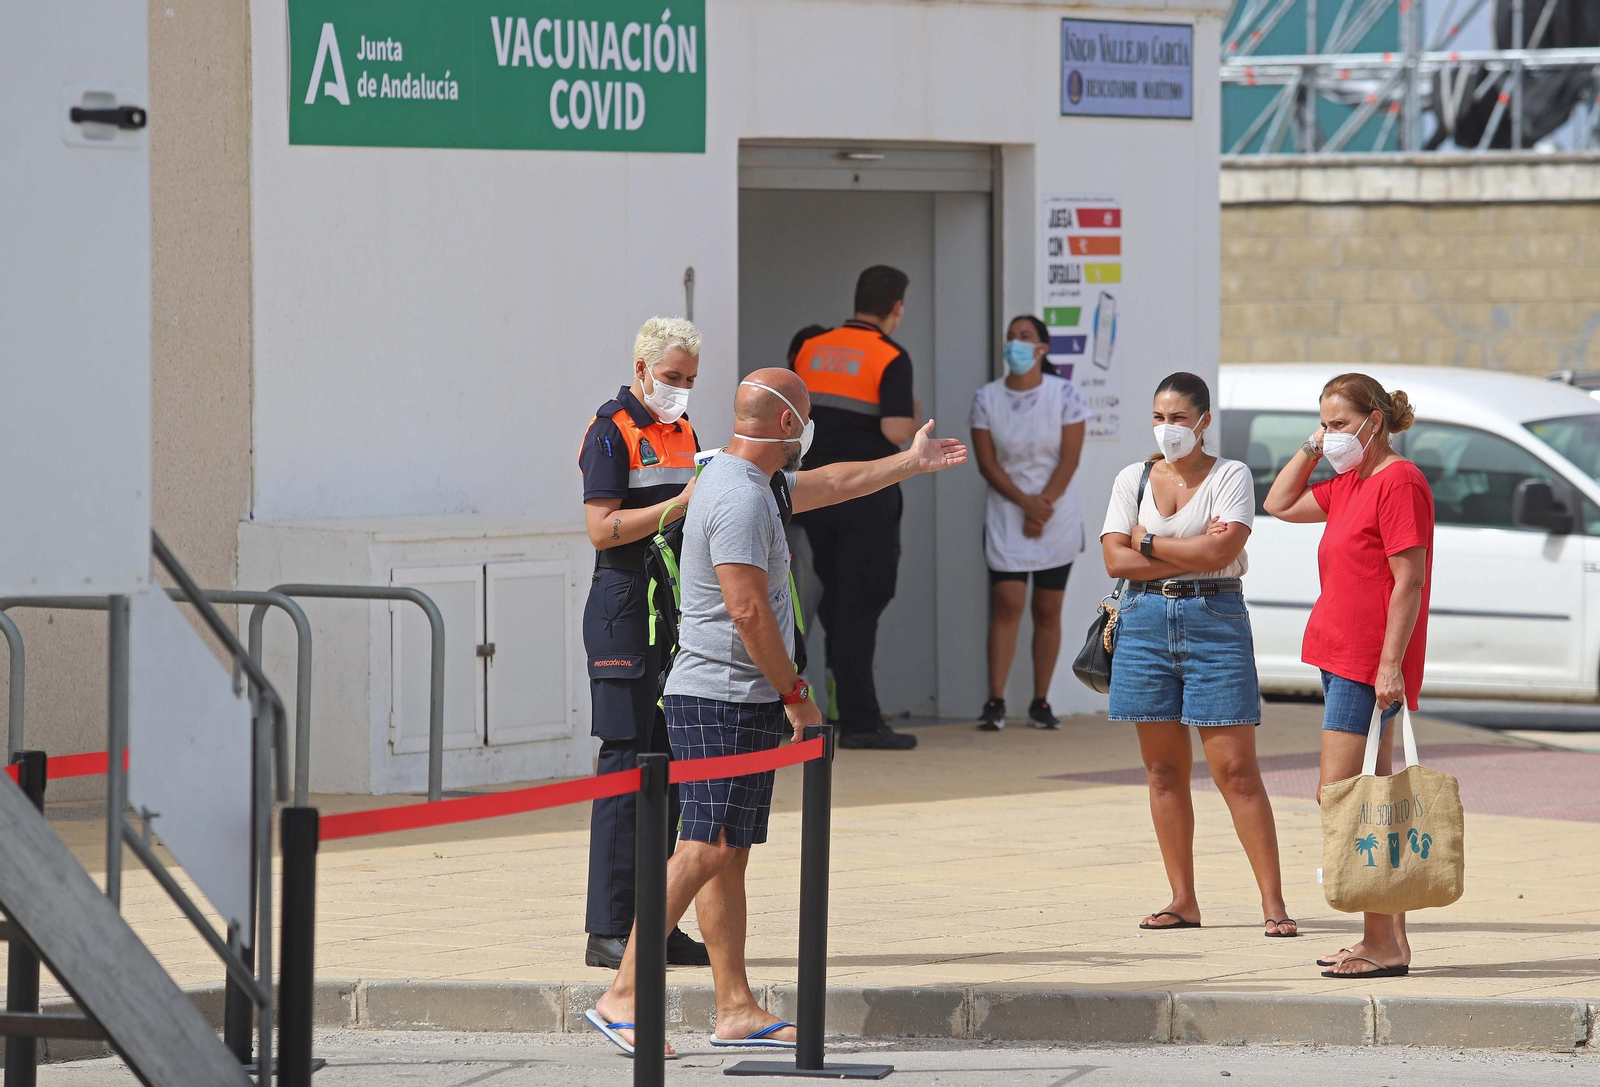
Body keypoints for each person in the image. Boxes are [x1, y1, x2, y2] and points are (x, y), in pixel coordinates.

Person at [586, 368, 967, 1054]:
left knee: (726, 853)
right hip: (721, 695)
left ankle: (735, 1008)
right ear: (790, 423)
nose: (811, 432)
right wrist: (798, 695)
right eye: (809, 416)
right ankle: (623, 994)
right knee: (705, 846)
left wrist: (908, 463)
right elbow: (747, 609)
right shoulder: (740, 495)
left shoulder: (751, 480)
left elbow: (834, 482)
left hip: (738, 694)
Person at [1100, 372, 1298, 938]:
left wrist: (1145, 541)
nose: (1168, 429)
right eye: (1159, 418)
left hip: (1215, 619)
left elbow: (1222, 550)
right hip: (1141, 620)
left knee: (1236, 771)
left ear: (1204, 421)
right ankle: (1182, 900)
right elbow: (1114, 562)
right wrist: (1191, 551)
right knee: (1163, 771)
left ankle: (1274, 904)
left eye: (1179, 418)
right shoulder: (1133, 477)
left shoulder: (1230, 474)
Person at [1264, 373, 1433, 979]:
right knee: (1369, 799)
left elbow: (1409, 580)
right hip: (1338, 657)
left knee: (1346, 797)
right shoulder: (1351, 482)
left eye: (1338, 424)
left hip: (1367, 664)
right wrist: (1314, 445)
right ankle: (1388, 941)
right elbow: (1278, 504)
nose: (1328, 434)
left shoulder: (1399, 481)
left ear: (1374, 421)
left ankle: (1379, 942)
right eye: (1323, 424)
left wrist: (1389, 665)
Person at [577, 317, 710, 970]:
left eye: (690, 379)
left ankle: (657, 922)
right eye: (671, 376)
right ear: (641, 370)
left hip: (674, 608)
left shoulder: (684, 430)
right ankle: (609, 928)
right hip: (625, 607)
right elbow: (601, 529)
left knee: (670, 769)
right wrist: (680, 503)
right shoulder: (611, 430)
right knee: (626, 766)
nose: (680, 389)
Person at [790, 267, 923, 750]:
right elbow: (896, 431)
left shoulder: (811, 348)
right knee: (860, 601)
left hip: (812, 493)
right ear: (897, 308)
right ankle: (861, 721)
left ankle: (840, 707)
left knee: (831, 601)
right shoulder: (891, 355)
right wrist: (911, 410)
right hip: (866, 495)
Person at [970, 314, 1090, 730]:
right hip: (1008, 514)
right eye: (1011, 337)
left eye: (1024, 337)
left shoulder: (1066, 394)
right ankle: (995, 700)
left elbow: (1070, 458)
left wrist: (1043, 507)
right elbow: (987, 464)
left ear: (1042, 348)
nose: (1015, 343)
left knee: (1047, 609)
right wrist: (1026, 505)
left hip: (1055, 516)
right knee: (1007, 605)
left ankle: (1041, 701)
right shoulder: (986, 398)